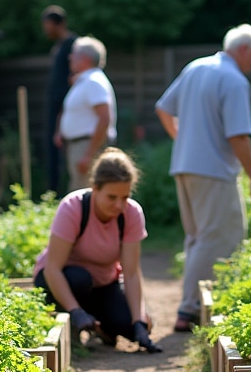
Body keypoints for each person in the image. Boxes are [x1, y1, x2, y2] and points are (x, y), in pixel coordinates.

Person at [155, 23, 251, 333]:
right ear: (243, 49)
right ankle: (192, 308)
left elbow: (163, 108)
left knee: (197, 237)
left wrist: (183, 140)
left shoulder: (196, 66)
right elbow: (239, 137)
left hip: (184, 166)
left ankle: (194, 303)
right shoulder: (233, 80)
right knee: (220, 237)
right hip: (214, 171)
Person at [33, 147, 161, 352]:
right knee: (79, 278)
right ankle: (73, 325)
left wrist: (139, 322)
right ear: (95, 187)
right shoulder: (73, 207)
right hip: (60, 280)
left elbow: (130, 273)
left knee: (129, 326)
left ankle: (99, 328)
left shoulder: (131, 213)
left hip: (102, 284)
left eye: (125, 197)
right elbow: (52, 269)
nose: (119, 205)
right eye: (112, 197)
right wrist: (76, 312)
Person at [55, 35, 117, 193]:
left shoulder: (93, 82)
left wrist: (88, 155)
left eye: (74, 54)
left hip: (87, 147)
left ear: (85, 59)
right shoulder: (84, 81)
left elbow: (104, 119)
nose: (70, 58)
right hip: (80, 146)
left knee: (85, 197)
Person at [41, 5, 77, 193]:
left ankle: (66, 192)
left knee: (66, 150)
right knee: (52, 151)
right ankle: (52, 194)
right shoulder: (58, 47)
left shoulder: (73, 44)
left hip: (66, 108)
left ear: (59, 24)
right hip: (55, 106)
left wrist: (65, 108)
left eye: (48, 25)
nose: (45, 29)